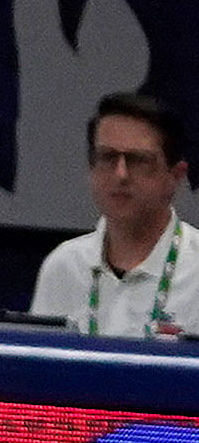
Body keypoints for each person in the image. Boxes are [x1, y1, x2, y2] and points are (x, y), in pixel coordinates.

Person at [29, 91, 188, 341]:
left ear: (176, 175)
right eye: (107, 157)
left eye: (138, 160)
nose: (120, 174)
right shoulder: (63, 266)